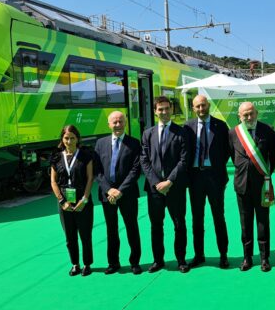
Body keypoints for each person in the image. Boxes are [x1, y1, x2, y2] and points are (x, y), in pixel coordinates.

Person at [140, 96, 191, 273]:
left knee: (179, 224)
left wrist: (169, 181)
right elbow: (144, 160)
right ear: (155, 112)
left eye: (167, 108)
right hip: (155, 190)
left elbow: (184, 160)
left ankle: (181, 259)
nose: (164, 112)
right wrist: (157, 183)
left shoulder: (182, 132)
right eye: (160, 109)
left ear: (171, 110)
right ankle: (158, 260)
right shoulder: (148, 134)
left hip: (175, 187)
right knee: (156, 226)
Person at [228, 102, 275, 272]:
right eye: (245, 115)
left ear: (257, 113)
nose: (249, 118)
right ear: (239, 116)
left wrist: (265, 173)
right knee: (245, 223)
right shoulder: (233, 133)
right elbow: (234, 157)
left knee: (263, 222)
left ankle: (265, 258)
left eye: (251, 114)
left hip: (262, 185)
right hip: (242, 186)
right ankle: (247, 258)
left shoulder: (267, 130)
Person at [184, 95, 231, 269]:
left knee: (219, 217)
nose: (201, 109)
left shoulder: (220, 126)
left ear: (208, 105)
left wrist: (216, 167)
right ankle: (199, 255)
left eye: (203, 105)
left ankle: (223, 255)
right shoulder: (187, 127)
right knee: (197, 218)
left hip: (215, 178)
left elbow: (226, 151)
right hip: (195, 178)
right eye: (197, 106)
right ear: (193, 108)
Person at [94, 111, 142, 275]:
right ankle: (113, 262)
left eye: (121, 121)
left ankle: (135, 262)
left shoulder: (134, 143)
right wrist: (109, 190)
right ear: (109, 125)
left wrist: (120, 190)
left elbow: (136, 170)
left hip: (127, 194)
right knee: (111, 229)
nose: (118, 125)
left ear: (126, 123)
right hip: (108, 196)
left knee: (131, 227)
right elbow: (97, 171)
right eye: (114, 122)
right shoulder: (100, 143)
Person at [50, 124, 95, 277]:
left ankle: (87, 264)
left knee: (85, 234)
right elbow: (53, 182)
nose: (69, 141)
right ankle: (75, 264)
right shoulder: (56, 157)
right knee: (70, 236)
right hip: (65, 200)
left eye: (72, 138)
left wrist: (85, 199)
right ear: (62, 140)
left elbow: (90, 178)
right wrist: (62, 201)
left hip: (82, 198)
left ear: (77, 139)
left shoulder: (86, 155)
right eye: (66, 138)